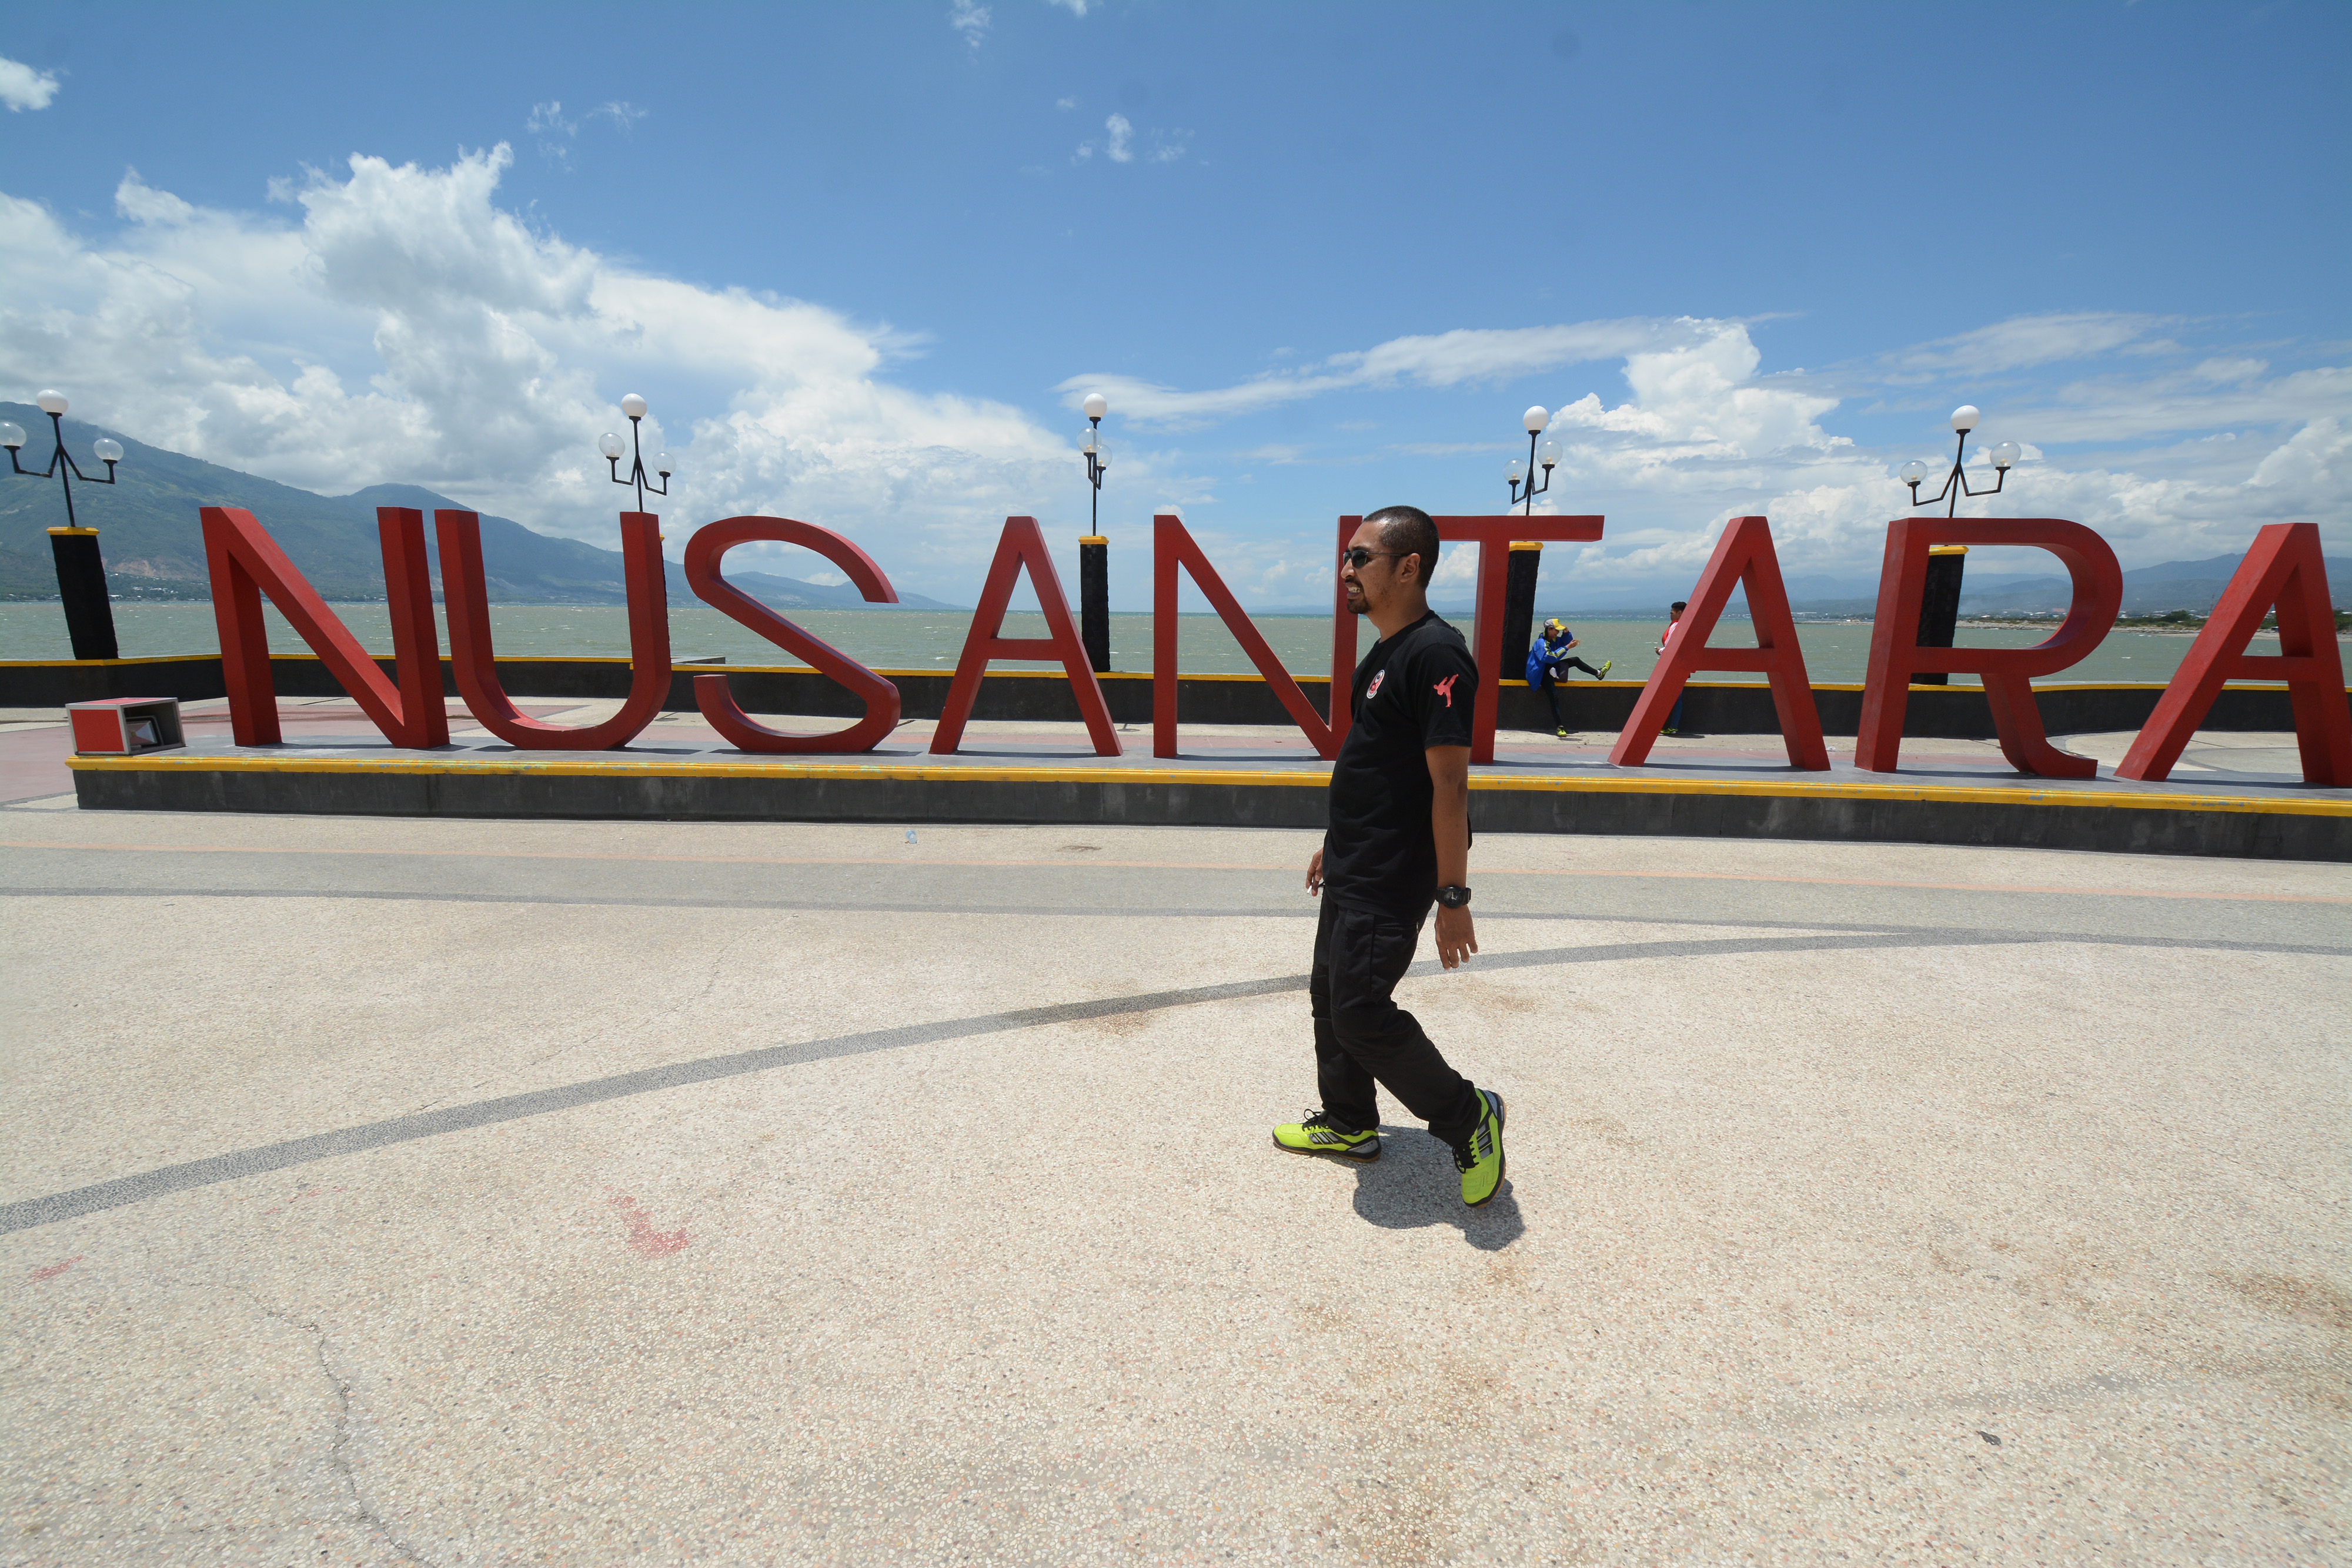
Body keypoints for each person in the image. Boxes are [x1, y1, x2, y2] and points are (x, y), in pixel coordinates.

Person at [1273, 505, 1508, 1207]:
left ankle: (1467, 1116)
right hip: (1354, 859)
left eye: (1360, 558)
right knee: (1329, 999)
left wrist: (1453, 897)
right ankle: (1349, 1122)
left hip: (1390, 872)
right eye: (1346, 557)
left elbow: (1450, 784)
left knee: (1361, 1013)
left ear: (1408, 568)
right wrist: (1333, 841)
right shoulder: (1384, 651)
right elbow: (1374, 761)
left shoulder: (1436, 655)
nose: (1345, 570)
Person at [1523, 618, 1612, 738]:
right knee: (1554, 696)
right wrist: (1567, 648)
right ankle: (1560, 727)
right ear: (1549, 630)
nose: (1558, 633)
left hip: (1550, 667)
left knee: (1575, 660)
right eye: (1556, 630)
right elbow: (1549, 657)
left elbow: (1567, 643)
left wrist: (1566, 632)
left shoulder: (1554, 640)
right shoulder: (1540, 643)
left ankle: (1598, 673)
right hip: (1540, 673)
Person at [1656, 601, 1689, 736]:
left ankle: (1658, 725)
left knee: (1666, 696)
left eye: (1672, 613)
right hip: (1683, 667)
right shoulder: (1687, 626)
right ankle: (1673, 726)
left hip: (1673, 668)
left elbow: (1670, 649)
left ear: (1680, 613)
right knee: (1678, 698)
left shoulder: (1676, 626)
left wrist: (1659, 651)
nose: (1670, 615)